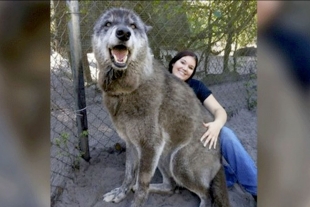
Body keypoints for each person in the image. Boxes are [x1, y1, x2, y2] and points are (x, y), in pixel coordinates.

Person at [168, 50, 257, 201]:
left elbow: (219, 110)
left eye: (190, 67)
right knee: (210, 179)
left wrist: (216, 125)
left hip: (199, 136)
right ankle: (227, 175)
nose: (185, 68)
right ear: (173, 63)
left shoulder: (196, 86)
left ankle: (257, 190)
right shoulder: (157, 85)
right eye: (182, 62)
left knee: (226, 134)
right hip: (175, 145)